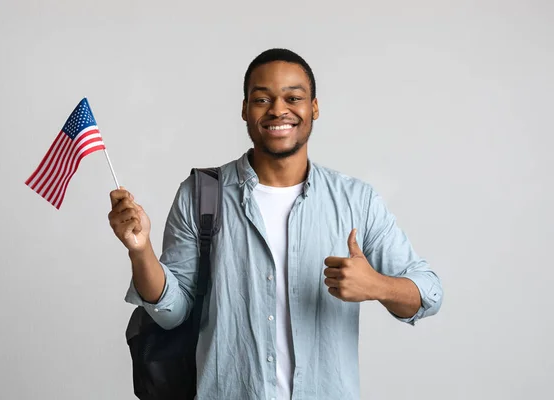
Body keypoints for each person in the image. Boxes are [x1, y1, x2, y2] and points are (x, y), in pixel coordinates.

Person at [108, 48, 443, 400]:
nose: (278, 110)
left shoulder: (356, 200)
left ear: (313, 107)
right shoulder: (201, 194)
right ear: (244, 110)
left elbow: (429, 293)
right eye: (262, 99)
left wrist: (377, 285)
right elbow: (171, 314)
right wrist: (141, 250)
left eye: (293, 97)